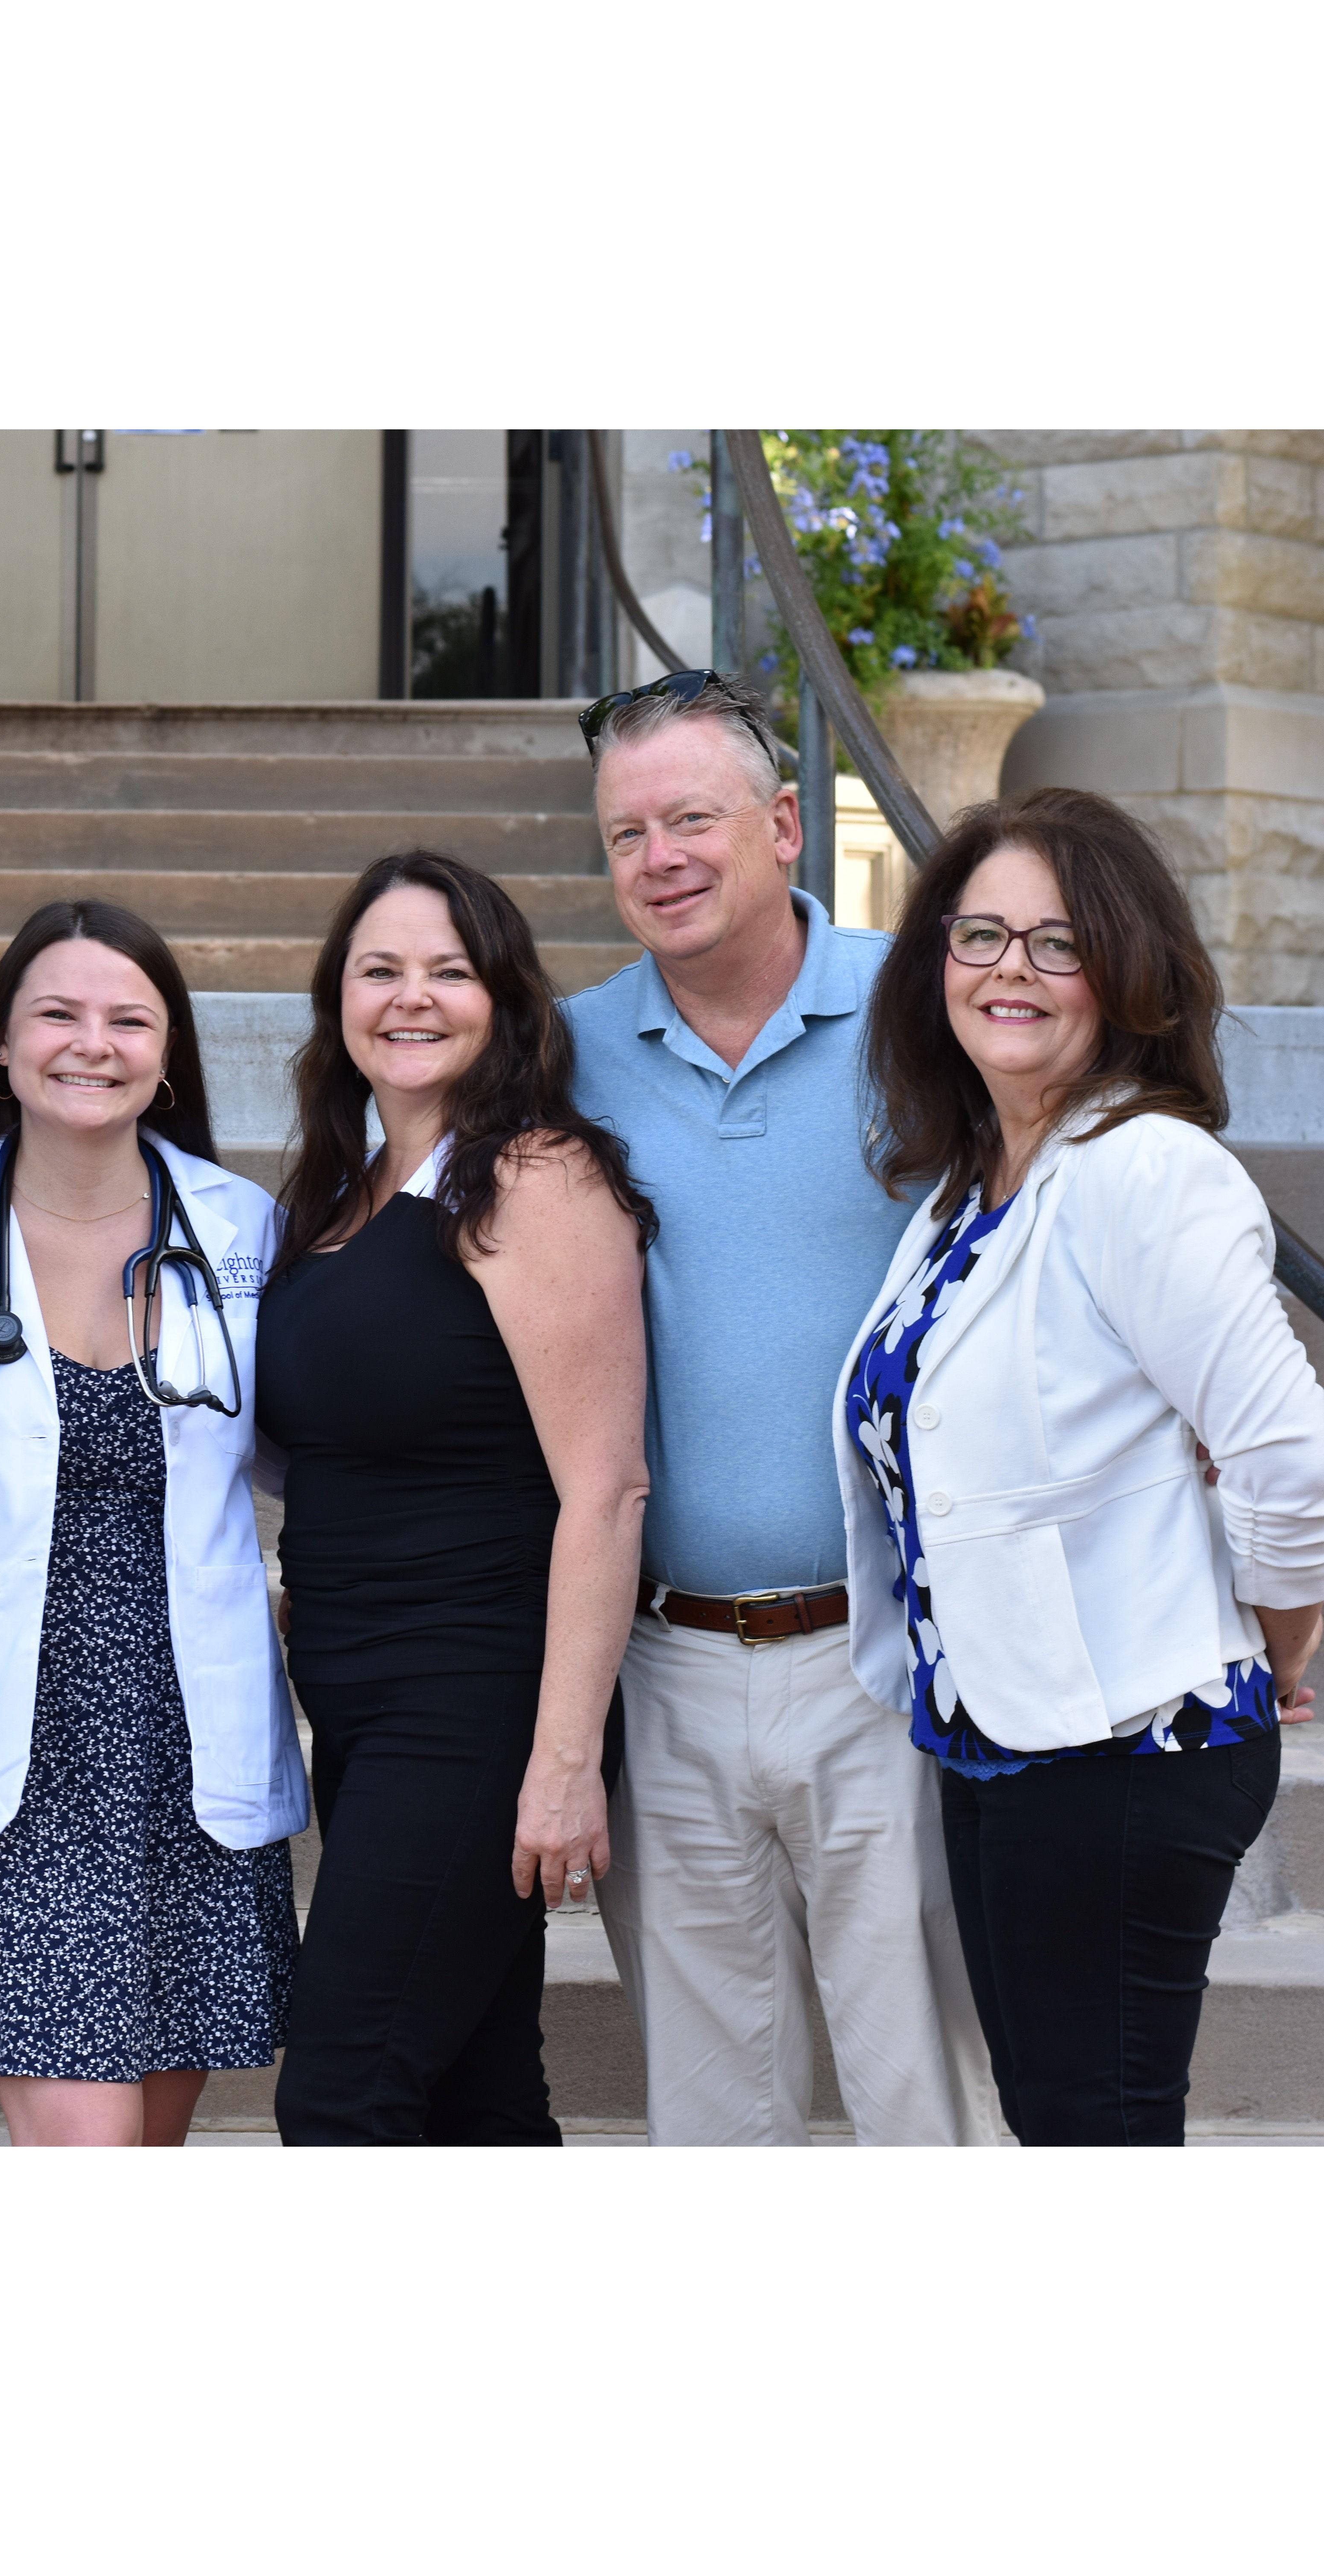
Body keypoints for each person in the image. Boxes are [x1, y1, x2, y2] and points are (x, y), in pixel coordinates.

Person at [836, 790, 1324, 2145]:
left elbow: (1294, 1458)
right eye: (980, 933)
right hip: (1003, 1734)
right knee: (1061, 2125)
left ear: (1127, 972)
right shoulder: (968, 1188)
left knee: (1095, 2135)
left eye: (1058, 943)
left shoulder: (1146, 1171)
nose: (1010, 969)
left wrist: (1280, 1640)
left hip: (1122, 1747)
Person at [562, 668, 998, 2146]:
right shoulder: (562, 1056)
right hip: (665, 1660)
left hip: (887, 1656)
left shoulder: (929, 1008)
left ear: (788, 823)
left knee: (922, 2098)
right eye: (627, 835)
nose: (660, 858)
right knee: (712, 2118)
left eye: (692, 817)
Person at [0, 901, 304, 2145]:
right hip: (12, 1752)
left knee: (150, 2140)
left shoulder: (241, 1231)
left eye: (128, 1019)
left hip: (184, 1747)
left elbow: (315, 1452)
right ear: (1, 1047)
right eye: (58, 1013)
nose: (92, 1044)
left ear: (170, 1055)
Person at [255, 853, 651, 2146]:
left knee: (344, 2090)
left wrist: (561, 1763)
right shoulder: (340, 1195)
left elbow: (607, 1484)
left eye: (449, 971)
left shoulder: (534, 1180)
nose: (410, 998)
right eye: (380, 970)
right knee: (478, 2089)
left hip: (474, 1705)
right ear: (339, 998)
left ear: (504, 1001)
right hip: (362, 1709)